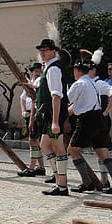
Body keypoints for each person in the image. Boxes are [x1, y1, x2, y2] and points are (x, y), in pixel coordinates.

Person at [66, 59, 112, 195]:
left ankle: (87, 183)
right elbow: (76, 105)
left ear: (77, 71)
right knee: (102, 151)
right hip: (98, 118)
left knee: (72, 149)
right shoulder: (94, 83)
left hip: (87, 119)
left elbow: (68, 101)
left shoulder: (80, 83)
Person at [35, 36, 71, 196]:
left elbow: (56, 96)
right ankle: (58, 180)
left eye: (45, 50)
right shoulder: (49, 68)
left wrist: (55, 121)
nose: (42, 53)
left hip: (53, 114)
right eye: (41, 51)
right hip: (49, 114)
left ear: (53, 52)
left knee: (58, 147)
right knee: (44, 144)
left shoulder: (54, 69)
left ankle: (62, 185)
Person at [17, 63, 46, 177]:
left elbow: (35, 100)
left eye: (38, 70)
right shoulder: (32, 83)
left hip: (36, 113)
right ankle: (41, 167)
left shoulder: (39, 82)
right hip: (29, 113)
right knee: (34, 140)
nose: (36, 72)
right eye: (34, 70)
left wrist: (32, 117)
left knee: (33, 140)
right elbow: (22, 98)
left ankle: (32, 167)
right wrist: (24, 110)